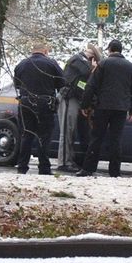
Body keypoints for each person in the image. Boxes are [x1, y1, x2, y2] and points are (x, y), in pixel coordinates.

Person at [76, 39, 132, 178]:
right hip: (121, 108)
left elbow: (90, 86)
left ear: (110, 50)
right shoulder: (130, 67)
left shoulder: (103, 64)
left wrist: (85, 105)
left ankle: (88, 168)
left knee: (96, 137)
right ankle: (114, 171)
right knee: (116, 139)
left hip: (103, 106)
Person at [13, 41, 65, 175]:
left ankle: (22, 166)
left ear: (32, 50)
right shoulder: (51, 64)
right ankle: (44, 168)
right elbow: (62, 83)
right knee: (44, 136)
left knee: (26, 135)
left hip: (25, 103)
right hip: (45, 103)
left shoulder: (22, 64)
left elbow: (17, 84)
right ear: (45, 51)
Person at [56, 42, 103, 173]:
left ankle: (69, 160)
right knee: (66, 131)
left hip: (74, 99)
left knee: (70, 131)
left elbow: (83, 85)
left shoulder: (81, 63)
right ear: (92, 57)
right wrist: (92, 69)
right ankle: (64, 162)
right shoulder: (77, 59)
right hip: (68, 98)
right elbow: (85, 72)